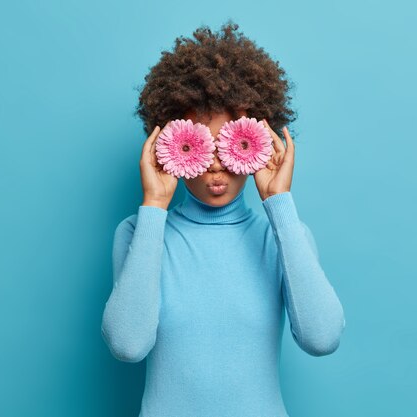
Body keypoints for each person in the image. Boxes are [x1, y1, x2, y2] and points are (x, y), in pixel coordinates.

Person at [101, 20, 346, 417]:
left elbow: (323, 337)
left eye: (231, 142)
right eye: (199, 143)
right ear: (168, 143)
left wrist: (279, 203)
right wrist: (154, 204)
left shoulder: (284, 236)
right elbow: (127, 344)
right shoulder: (137, 233)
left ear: (261, 142)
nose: (216, 165)